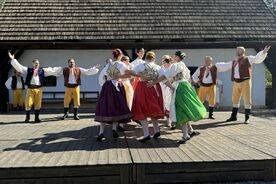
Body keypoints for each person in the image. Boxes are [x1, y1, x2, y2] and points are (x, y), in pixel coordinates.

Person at [149, 51, 206, 144]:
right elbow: (188, 78)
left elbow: (164, 76)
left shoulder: (175, 65)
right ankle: (189, 132)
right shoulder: (183, 65)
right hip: (186, 87)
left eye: (174, 56)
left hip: (179, 87)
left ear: (176, 57)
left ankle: (185, 135)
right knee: (185, 108)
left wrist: (153, 82)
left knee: (180, 110)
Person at [216, 46, 271, 124]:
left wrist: (263, 52)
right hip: (236, 82)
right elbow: (226, 66)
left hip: (245, 81)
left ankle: (247, 118)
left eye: (239, 50)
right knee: (235, 99)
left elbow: (257, 59)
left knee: (247, 99)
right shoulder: (234, 61)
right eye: (237, 50)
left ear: (243, 51)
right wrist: (216, 66)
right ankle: (233, 116)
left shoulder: (248, 58)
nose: (237, 51)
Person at [8, 51, 63, 123]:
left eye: (38, 63)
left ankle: (36, 118)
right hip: (30, 89)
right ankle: (27, 118)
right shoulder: (28, 70)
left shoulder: (42, 70)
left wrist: (62, 69)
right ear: (33, 64)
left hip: (39, 89)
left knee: (38, 103)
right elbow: (20, 67)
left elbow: (52, 70)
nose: (37, 64)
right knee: (28, 103)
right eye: (35, 63)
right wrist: (13, 59)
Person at [95, 49, 132, 141]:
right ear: (120, 55)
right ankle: (114, 129)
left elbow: (100, 78)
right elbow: (129, 74)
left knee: (105, 108)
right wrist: (120, 77)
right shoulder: (121, 64)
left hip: (107, 87)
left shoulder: (108, 65)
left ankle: (101, 132)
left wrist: (105, 85)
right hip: (117, 86)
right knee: (116, 107)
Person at [127, 51, 164, 142]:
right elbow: (164, 76)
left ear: (146, 58)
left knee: (141, 110)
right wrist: (154, 82)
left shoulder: (141, 66)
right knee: (153, 109)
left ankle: (146, 134)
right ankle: (156, 130)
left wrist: (139, 75)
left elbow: (131, 73)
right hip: (154, 87)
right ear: (154, 58)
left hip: (142, 87)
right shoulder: (158, 67)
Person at [160, 55, 174, 129]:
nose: (164, 62)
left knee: (171, 104)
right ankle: (168, 121)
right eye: (163, 60)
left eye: (166, 60)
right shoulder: (160, 68)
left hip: (171, 88)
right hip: (162, 88)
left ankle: (172, 121)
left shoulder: (172, 68)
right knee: (165, 105)